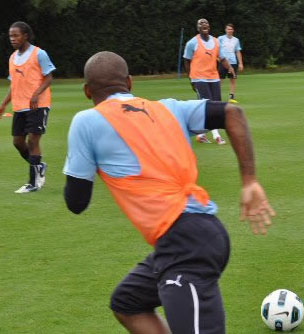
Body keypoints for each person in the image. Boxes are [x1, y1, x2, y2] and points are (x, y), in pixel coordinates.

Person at [63, 51, 275, 333]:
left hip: (185, 244)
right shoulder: (168, 108)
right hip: (194, 236)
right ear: (129, 82)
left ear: (87, 91)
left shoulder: (86, 122)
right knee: (128, 302)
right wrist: (249, 180)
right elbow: (232, 112)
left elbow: (77, 201)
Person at [0, 21, 55, 193]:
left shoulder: (39, 54)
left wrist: (37, 93)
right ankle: (39, 166)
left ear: (25, 35)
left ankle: (33, 183)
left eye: (16, 35)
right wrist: (3, 103)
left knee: (33, 141)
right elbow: (13, 84)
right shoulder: (12, 58)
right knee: (17, 142)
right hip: (19, 106)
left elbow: (49, 77)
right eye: (10, 36)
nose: (12, 39)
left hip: (38, 105)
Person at [183, 18, 235, 145]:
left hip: (213, 77)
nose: (204, 25)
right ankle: (216, 135)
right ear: (198, 28)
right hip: (199, 77)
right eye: (201, 23)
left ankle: (200, 134)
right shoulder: (192, 43)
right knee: (208, 105)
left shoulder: (216, 41)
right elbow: (186, 60)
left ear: (209, 27)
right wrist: (191, 79)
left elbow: (222, 58)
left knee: (216, 105)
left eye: (206, 23)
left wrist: (230, 68)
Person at [217, 23, 243, 103]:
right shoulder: (220, 38)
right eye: (228, 29)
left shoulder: (236, 40)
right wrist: (217, 58)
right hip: (223, 62)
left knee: (232, 79)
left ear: (233, 30)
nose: (230, 30)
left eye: (231, 29)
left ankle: (232, 96)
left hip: (233, 62)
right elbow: (216, 49)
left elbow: (238, 51)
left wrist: (240, 63)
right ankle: (217, 97)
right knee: (220, 80)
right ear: (225, 30)